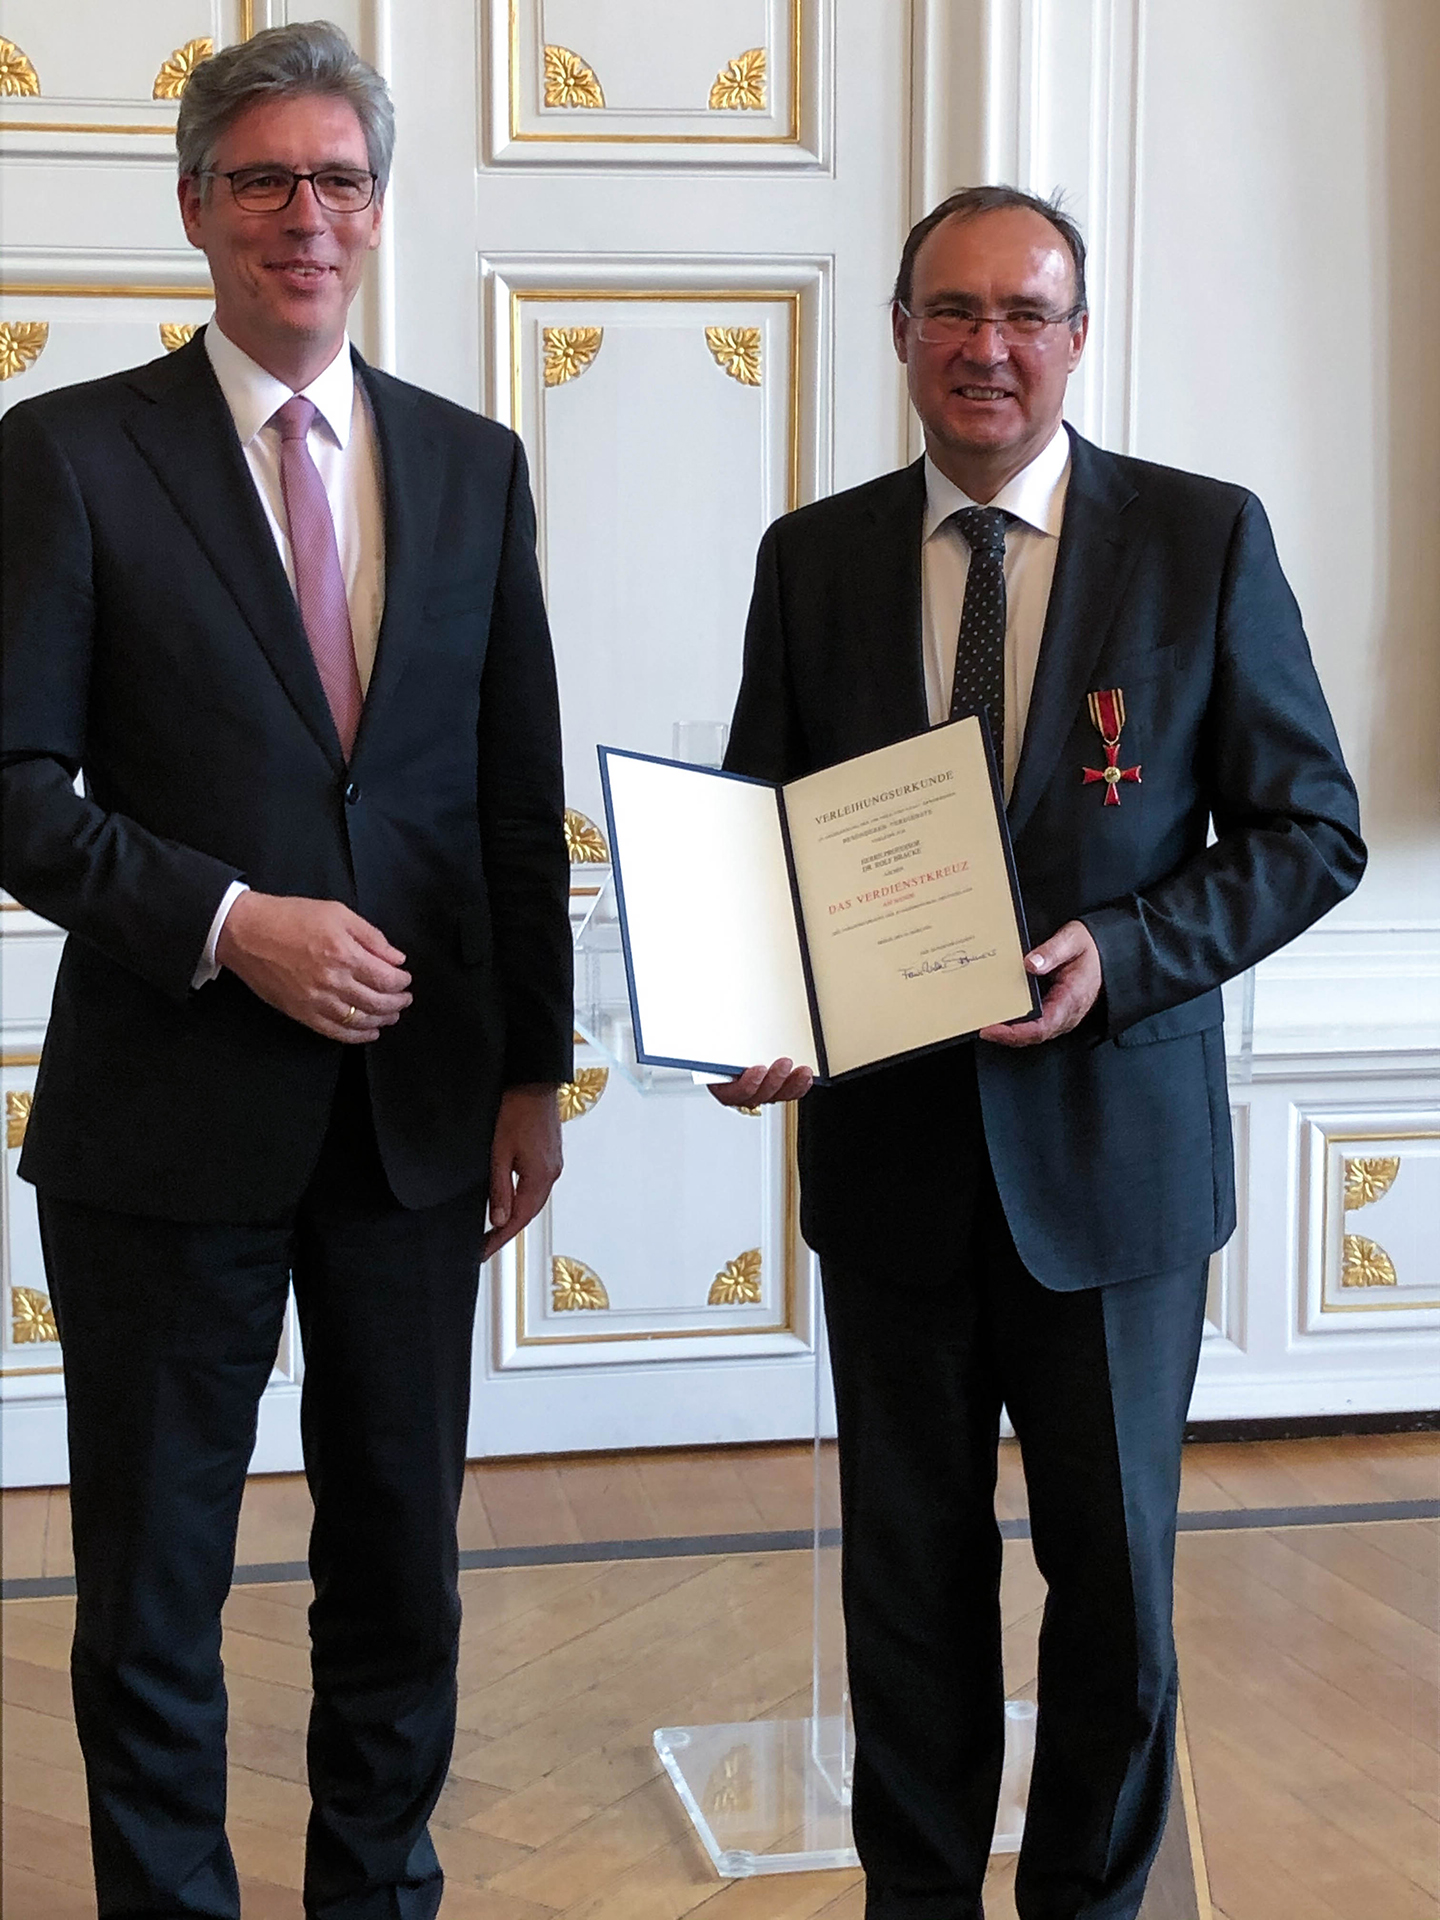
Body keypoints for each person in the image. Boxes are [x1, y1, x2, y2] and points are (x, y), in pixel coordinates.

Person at [711, 187, 1365, 1920]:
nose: (986, 346)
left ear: (1079, 336)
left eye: (1025, 313)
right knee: (907, 1590)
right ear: (906, 334)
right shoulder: (815, 558)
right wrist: (754, 1002)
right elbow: (759, 844)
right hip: (896, 1169)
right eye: (952, 311)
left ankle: (1089, 1904)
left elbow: (1311, 833)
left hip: (1116, 1172)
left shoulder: (1204, 541)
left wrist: (1125, 953)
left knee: (1116, 1595)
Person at [0, 23, 571, 1919]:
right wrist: (232, 924)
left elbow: (512, 804)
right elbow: (10, 791)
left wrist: (529, 1081)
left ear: (379, 212)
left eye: (337, 181)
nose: (303, 217)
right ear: (194, 210)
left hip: (417, 1130)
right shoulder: (69, 456)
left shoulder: (475, 468)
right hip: (163, 1132)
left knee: (400, 1572)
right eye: (262, 181)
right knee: (156, 1588)